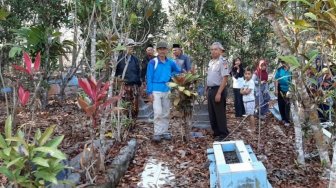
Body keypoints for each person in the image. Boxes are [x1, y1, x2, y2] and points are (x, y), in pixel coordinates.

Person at [146, 41, 181, 142]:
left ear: (167, 50)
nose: (162, 51)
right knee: (158, 112)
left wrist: (171, 76)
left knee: (166, 112)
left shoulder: (170, 62)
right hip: (155, 90)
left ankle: (165, 131)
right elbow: (149, 77)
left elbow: (178, 70)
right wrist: (149, 92)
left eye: (164, 49)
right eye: (160, 49)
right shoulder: (153, 62)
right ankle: (157, 133)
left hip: (167, 89)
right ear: (157, 50)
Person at [206, 42, 230, 141]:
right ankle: (216, 132)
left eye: (215, 49)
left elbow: (225, 78)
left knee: (219, 113)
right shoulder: (211, 62)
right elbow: (209, 76)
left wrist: (219, 93)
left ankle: (223, 134)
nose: (213, 51)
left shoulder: (223, 62)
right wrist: (206, 88)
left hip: (218, 89)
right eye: (212, 49)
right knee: (212, 113)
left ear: (220, 51)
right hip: (210, 89)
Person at [115, 38, 141, 120]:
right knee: (124, 106)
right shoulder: (118, 59)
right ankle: (124, 122)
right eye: (129, 46)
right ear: (124, 47)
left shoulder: (135, 59)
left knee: (135, 106)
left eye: (132, 46)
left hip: (134, 86)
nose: (131, 48)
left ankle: (132, 123)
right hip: (123, 86)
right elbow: (115, 73)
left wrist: (138, 83)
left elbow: (138, 72)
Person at [274, 60, 292, 126]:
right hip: (280, 88)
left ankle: (287, 120)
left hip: (288, 89)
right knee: (281, 104)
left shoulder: (291, 69)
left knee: (287, 104)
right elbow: (276, 80)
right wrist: (276, 89)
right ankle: (283, 118)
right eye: (282, 62)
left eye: (284, 62)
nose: (284, 63)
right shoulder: (279, 70)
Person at [240, 67, 255, 131]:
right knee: (248, 114)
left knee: (251, 115)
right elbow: (240, 91)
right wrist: (243, 91)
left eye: (249, 74)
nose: (247, 75)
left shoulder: (251, 82)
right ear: (244, 74)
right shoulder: (244, 81)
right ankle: (250, 127)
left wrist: (243, 91)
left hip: (250, 101)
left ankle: (253, 128)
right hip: (245, 100)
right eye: (246, 74)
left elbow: (247, 92)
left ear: (251, 74)